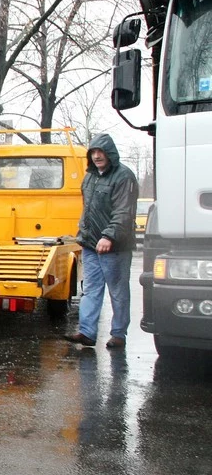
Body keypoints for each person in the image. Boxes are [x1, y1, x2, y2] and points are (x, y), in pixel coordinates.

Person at [65, 133, 139, 349]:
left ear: (110, 154)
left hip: (114, 246)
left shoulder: (124, 176)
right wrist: (84, 232)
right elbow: (87, 208)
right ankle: (87, 332)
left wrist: (109, 236)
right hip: (90, 245)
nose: (97, 156)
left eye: (101, 152)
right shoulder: (90, 176)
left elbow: (123, 212)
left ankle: (118, 334)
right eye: (93, 152)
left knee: (118, 291)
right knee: (91, 289)